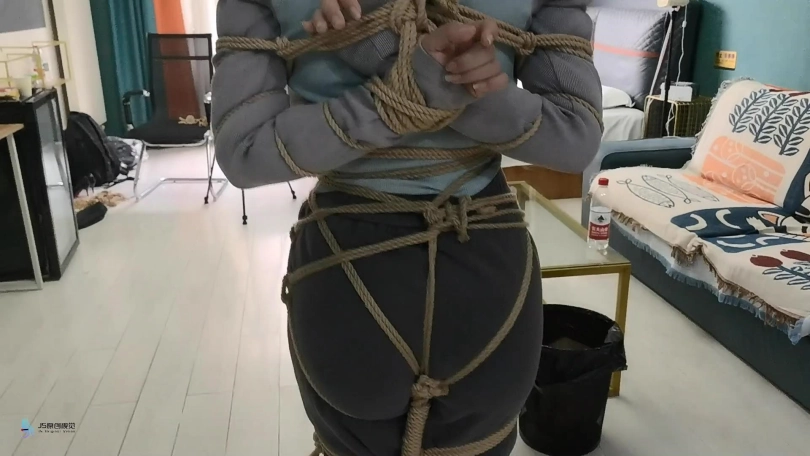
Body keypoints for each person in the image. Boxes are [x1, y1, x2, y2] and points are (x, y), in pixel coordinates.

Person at [212, 0, 602, 454]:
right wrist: (450, 87)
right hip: (483, 270)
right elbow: (575, 137)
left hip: (347, 274)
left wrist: (395, 76)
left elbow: (244, 150)